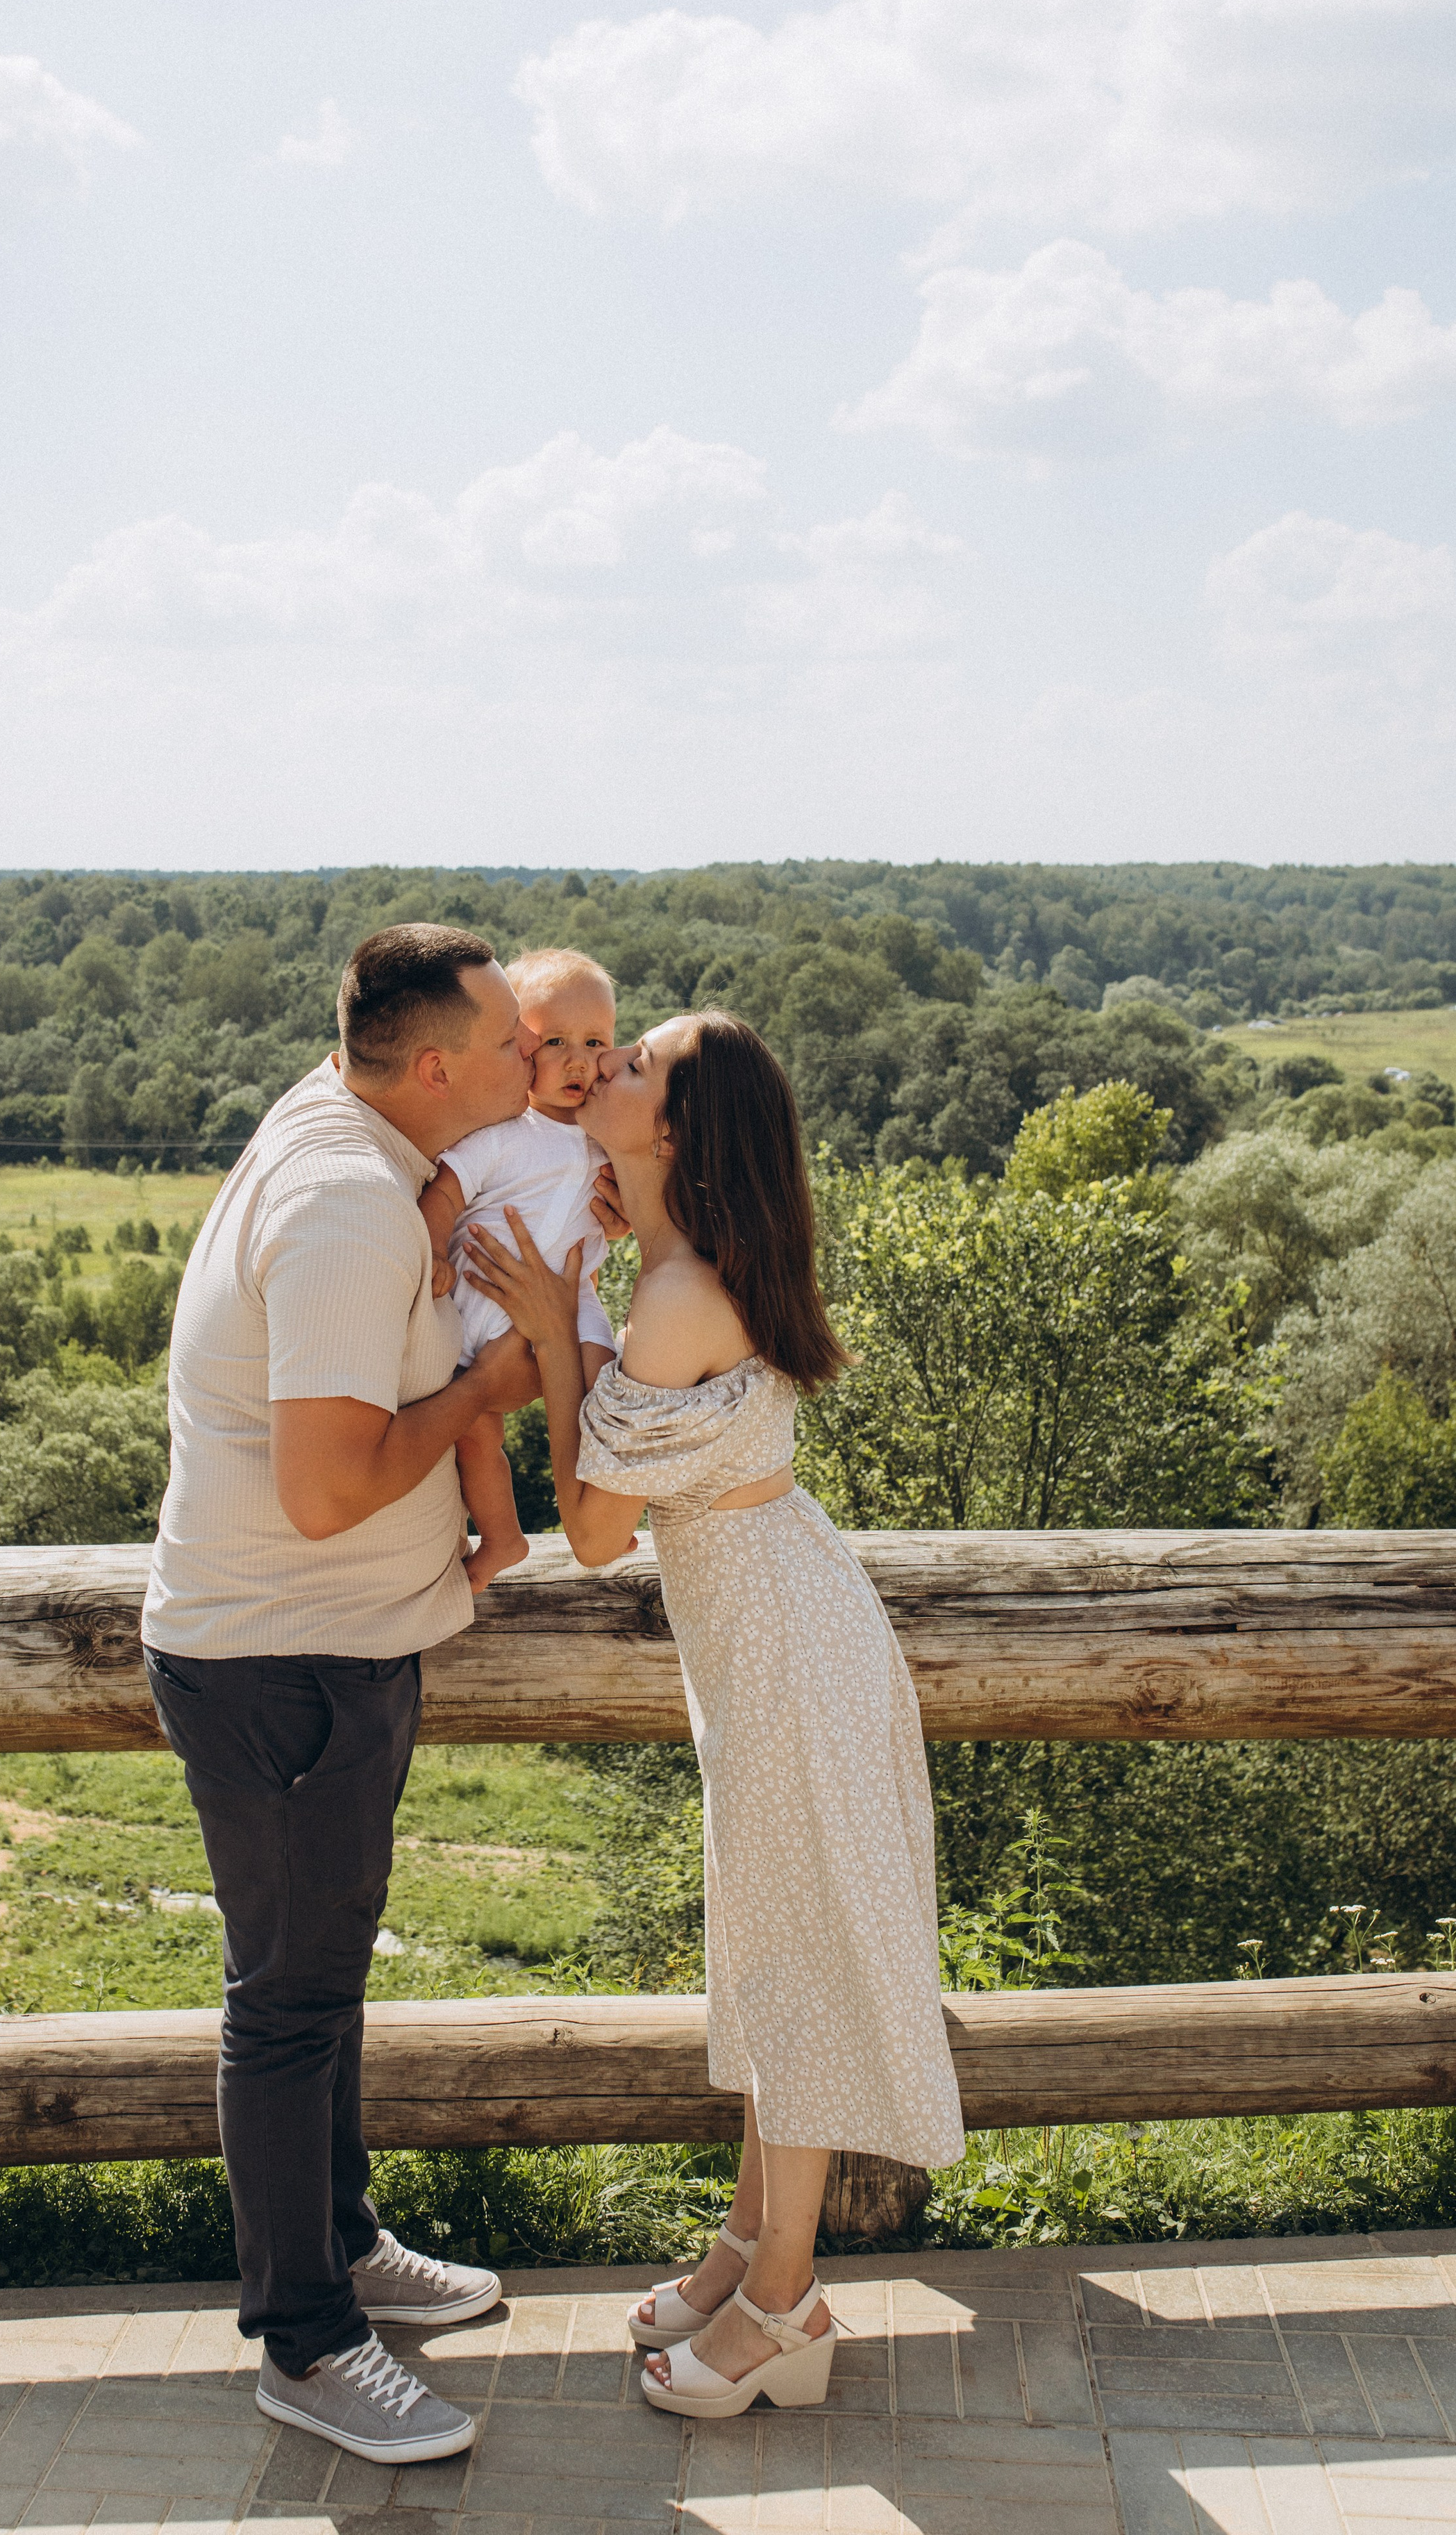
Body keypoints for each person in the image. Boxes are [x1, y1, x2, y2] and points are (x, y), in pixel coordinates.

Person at [463, 1010, 965, 2422]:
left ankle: (780, 2306)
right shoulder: (686, 1262)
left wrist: (556, 1338)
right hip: (774, 1630)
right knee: (767, 1948)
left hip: (782, 1650)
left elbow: (599, 1530)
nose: (601, 1069)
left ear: (675, 1129)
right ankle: (744, 2246)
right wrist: (601, 1261)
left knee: (789, 1965)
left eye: (633, 1066)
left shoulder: (682, 1294)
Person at [140, 924, 550, 2468]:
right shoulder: (345, 1204)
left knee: (320, 1983)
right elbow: (321, 1490)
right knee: (289, 2004)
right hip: (284, 1662)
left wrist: (434, 1207)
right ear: (437, 1065)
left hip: (309, 1648)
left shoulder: (351, 1141)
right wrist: (486, 1391)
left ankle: (346, 2243)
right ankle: (305, 2341)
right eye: (510, 1045)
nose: (534, 1066)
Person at [419, 948, 620, 1588]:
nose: (577, 1060)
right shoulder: (506, 1133)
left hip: (568, 1298)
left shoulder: (611, 1135)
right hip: (473, 1307)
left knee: (607, 1380)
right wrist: (430, 1249)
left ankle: (608, 1504)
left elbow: (652, 1201)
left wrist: (629, 1221)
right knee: (476, 1435)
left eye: (595, 1043)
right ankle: (503, 1539)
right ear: (521, 1046)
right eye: (554, 1041)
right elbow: (446, 1192)